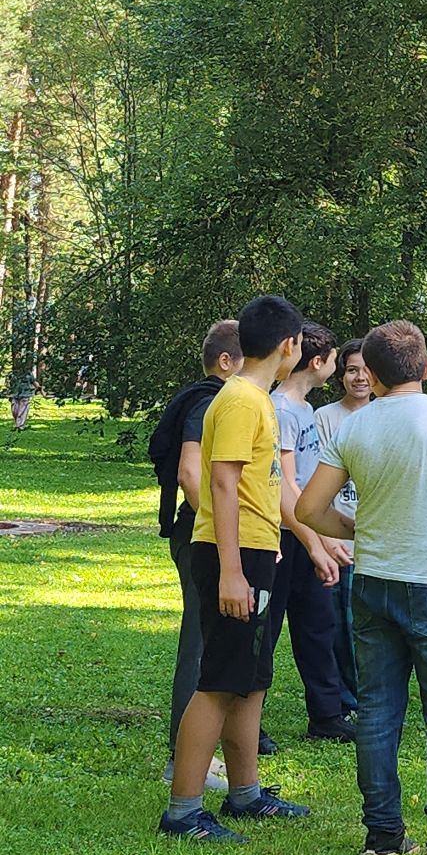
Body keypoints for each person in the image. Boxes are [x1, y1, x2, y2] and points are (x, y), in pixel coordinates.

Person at [298, 319, 427, 855]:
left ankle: (383, 836)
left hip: (375, 581)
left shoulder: (352, 426)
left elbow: (308, 510)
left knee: (379, 710)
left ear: (373, 373)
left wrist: (358, 531)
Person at [161, 295, 313, 842]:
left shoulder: (260, 400)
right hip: (231, 557)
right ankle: (182, 811)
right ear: (289, 346)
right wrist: (231, 569)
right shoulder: (242, 400)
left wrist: (307, 542)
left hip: (254, 551)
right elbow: (221, 483)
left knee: (250, 681)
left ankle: (245, 795)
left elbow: (261, 488)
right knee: (219, 683)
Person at [152, 319, 243, 790]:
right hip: (201, 535)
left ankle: (203, 753)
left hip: (201, 532)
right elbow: (191, 473)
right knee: (199, 641)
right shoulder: (209, 402)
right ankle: (182, 758)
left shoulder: (214, 399)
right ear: (226, 361)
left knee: (211, 639)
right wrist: (219, 526)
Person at [270, 321, 354, 743]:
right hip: (282, 537)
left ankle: (327, 716)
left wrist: (325, 537)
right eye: (336, 359)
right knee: (264, 634)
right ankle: (248, 722)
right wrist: (317, 541)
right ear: (318, 362)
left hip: (307, 534)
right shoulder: (281, 410)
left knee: (318, 627)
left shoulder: (303, 409)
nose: (337, 366)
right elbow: (287, 485)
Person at [313, 338, 372, 715]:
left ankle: (370, 696)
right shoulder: (324, 418)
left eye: (367, 370)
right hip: (336, 540)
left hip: (376, 541)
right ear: (341, 374)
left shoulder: (387, 415)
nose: (360, 377)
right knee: (337, 626)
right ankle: (348, 700)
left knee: (369, 629)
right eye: (352, 369)